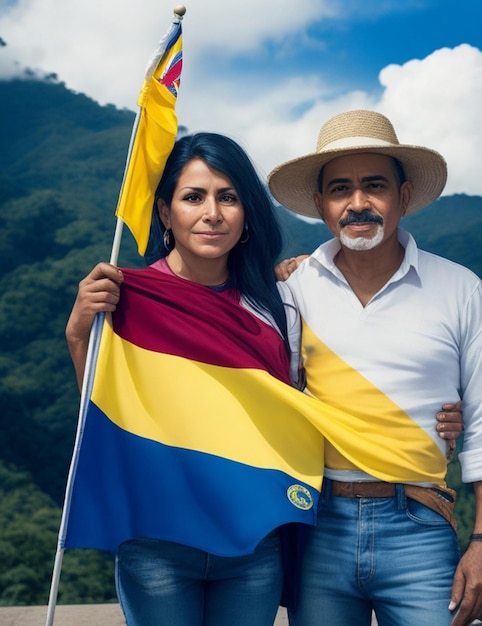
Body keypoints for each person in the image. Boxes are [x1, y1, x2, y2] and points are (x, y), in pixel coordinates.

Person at [66, 130, 463, 626]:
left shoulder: (279, 304)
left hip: (253, 540)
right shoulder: (129, 297)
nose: (212, 213)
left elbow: (303, 399)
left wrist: (433, 414)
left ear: (246, 213)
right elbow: (106, 416)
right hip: (158, 539)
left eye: (228, 198)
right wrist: (78, 335)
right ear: (166, 213)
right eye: (193, 197)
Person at [268, 109, 482, 626]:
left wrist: (481, 541)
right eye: (340, 188)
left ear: (403, 196)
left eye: (375, 186)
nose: (358, 202)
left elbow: (479, 422)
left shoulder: (460, 289)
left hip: (421, 521)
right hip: (317, 523)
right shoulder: (289, 294)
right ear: (320, 204)